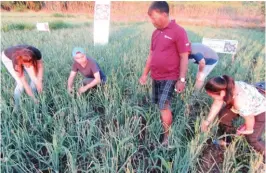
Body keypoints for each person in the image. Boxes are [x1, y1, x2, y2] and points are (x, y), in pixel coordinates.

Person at [139, 1, 191, 145]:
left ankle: (167, 137)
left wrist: (182, 79)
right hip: (156, 75)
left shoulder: (178, 31)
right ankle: (165, 121)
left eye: (154, 17)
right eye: (151, 18)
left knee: (163, 104)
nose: (152, 21)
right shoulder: (155, 33)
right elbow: (151, 55)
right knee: (159, 103)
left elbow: (184, 56)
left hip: (170, 76)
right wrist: (144, 74)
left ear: (164, 14)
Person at [201, 75, 265, 158]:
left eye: (212, 95)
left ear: (222, 93)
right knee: (224, 116)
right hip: (248, 106)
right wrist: (207, 121)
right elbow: (217, 103)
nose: (211, 97)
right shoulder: (226, 86)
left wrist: (248, 129)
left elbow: (249, 117)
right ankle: (228, 141)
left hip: (260, 110)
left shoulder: (240, 102)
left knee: (253, 139)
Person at [1, 45, 44, 110]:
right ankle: (17, 106)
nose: (28, 66)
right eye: (26, 65)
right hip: (8, 58)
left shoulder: (36, 52)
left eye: (30, 64)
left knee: (35, 79)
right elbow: (24, 83)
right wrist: (32, 98)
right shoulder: (16, 61)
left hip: (24, 55)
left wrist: (39, 80)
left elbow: (40, 65)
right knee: (20, 84)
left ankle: (34, 100)